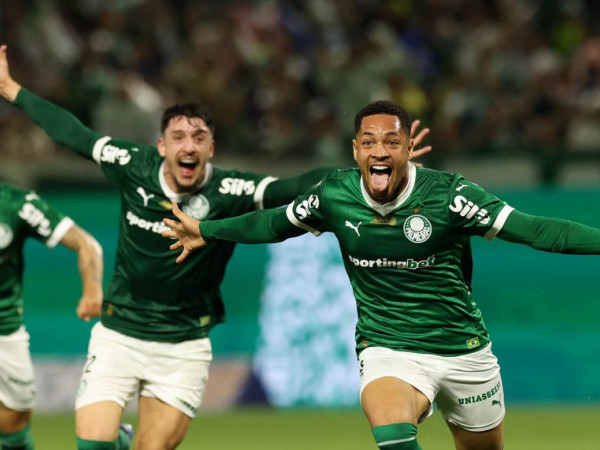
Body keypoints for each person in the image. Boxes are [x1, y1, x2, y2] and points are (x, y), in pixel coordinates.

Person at [0, 46, 431, 449]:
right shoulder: (132, 165)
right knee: (92, 444)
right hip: (119, 335)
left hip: (183, 346)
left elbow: (293, 186)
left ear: (211, 148)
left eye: (199, 137)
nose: (188, 145)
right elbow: (73, 134)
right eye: (178, 136)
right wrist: (13, 90)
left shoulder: (230, 189)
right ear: (162, 146)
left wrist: (375, 165)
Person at [162, 100, 600, 450]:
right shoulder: (334, 195)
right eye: (369, 142)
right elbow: (273, 224)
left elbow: (537, 230)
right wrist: (207, 230)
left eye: (392, 142)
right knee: (391, 428)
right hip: (388, 347)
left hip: (462, 350)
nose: (380, 151)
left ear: (408, 149)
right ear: (355, 150)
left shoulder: (449, 195)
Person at [0, 181, 103, 450]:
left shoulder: (16, 204)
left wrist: (92, 291)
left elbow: (84, 243)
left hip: (5, 330)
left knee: (15, 419)